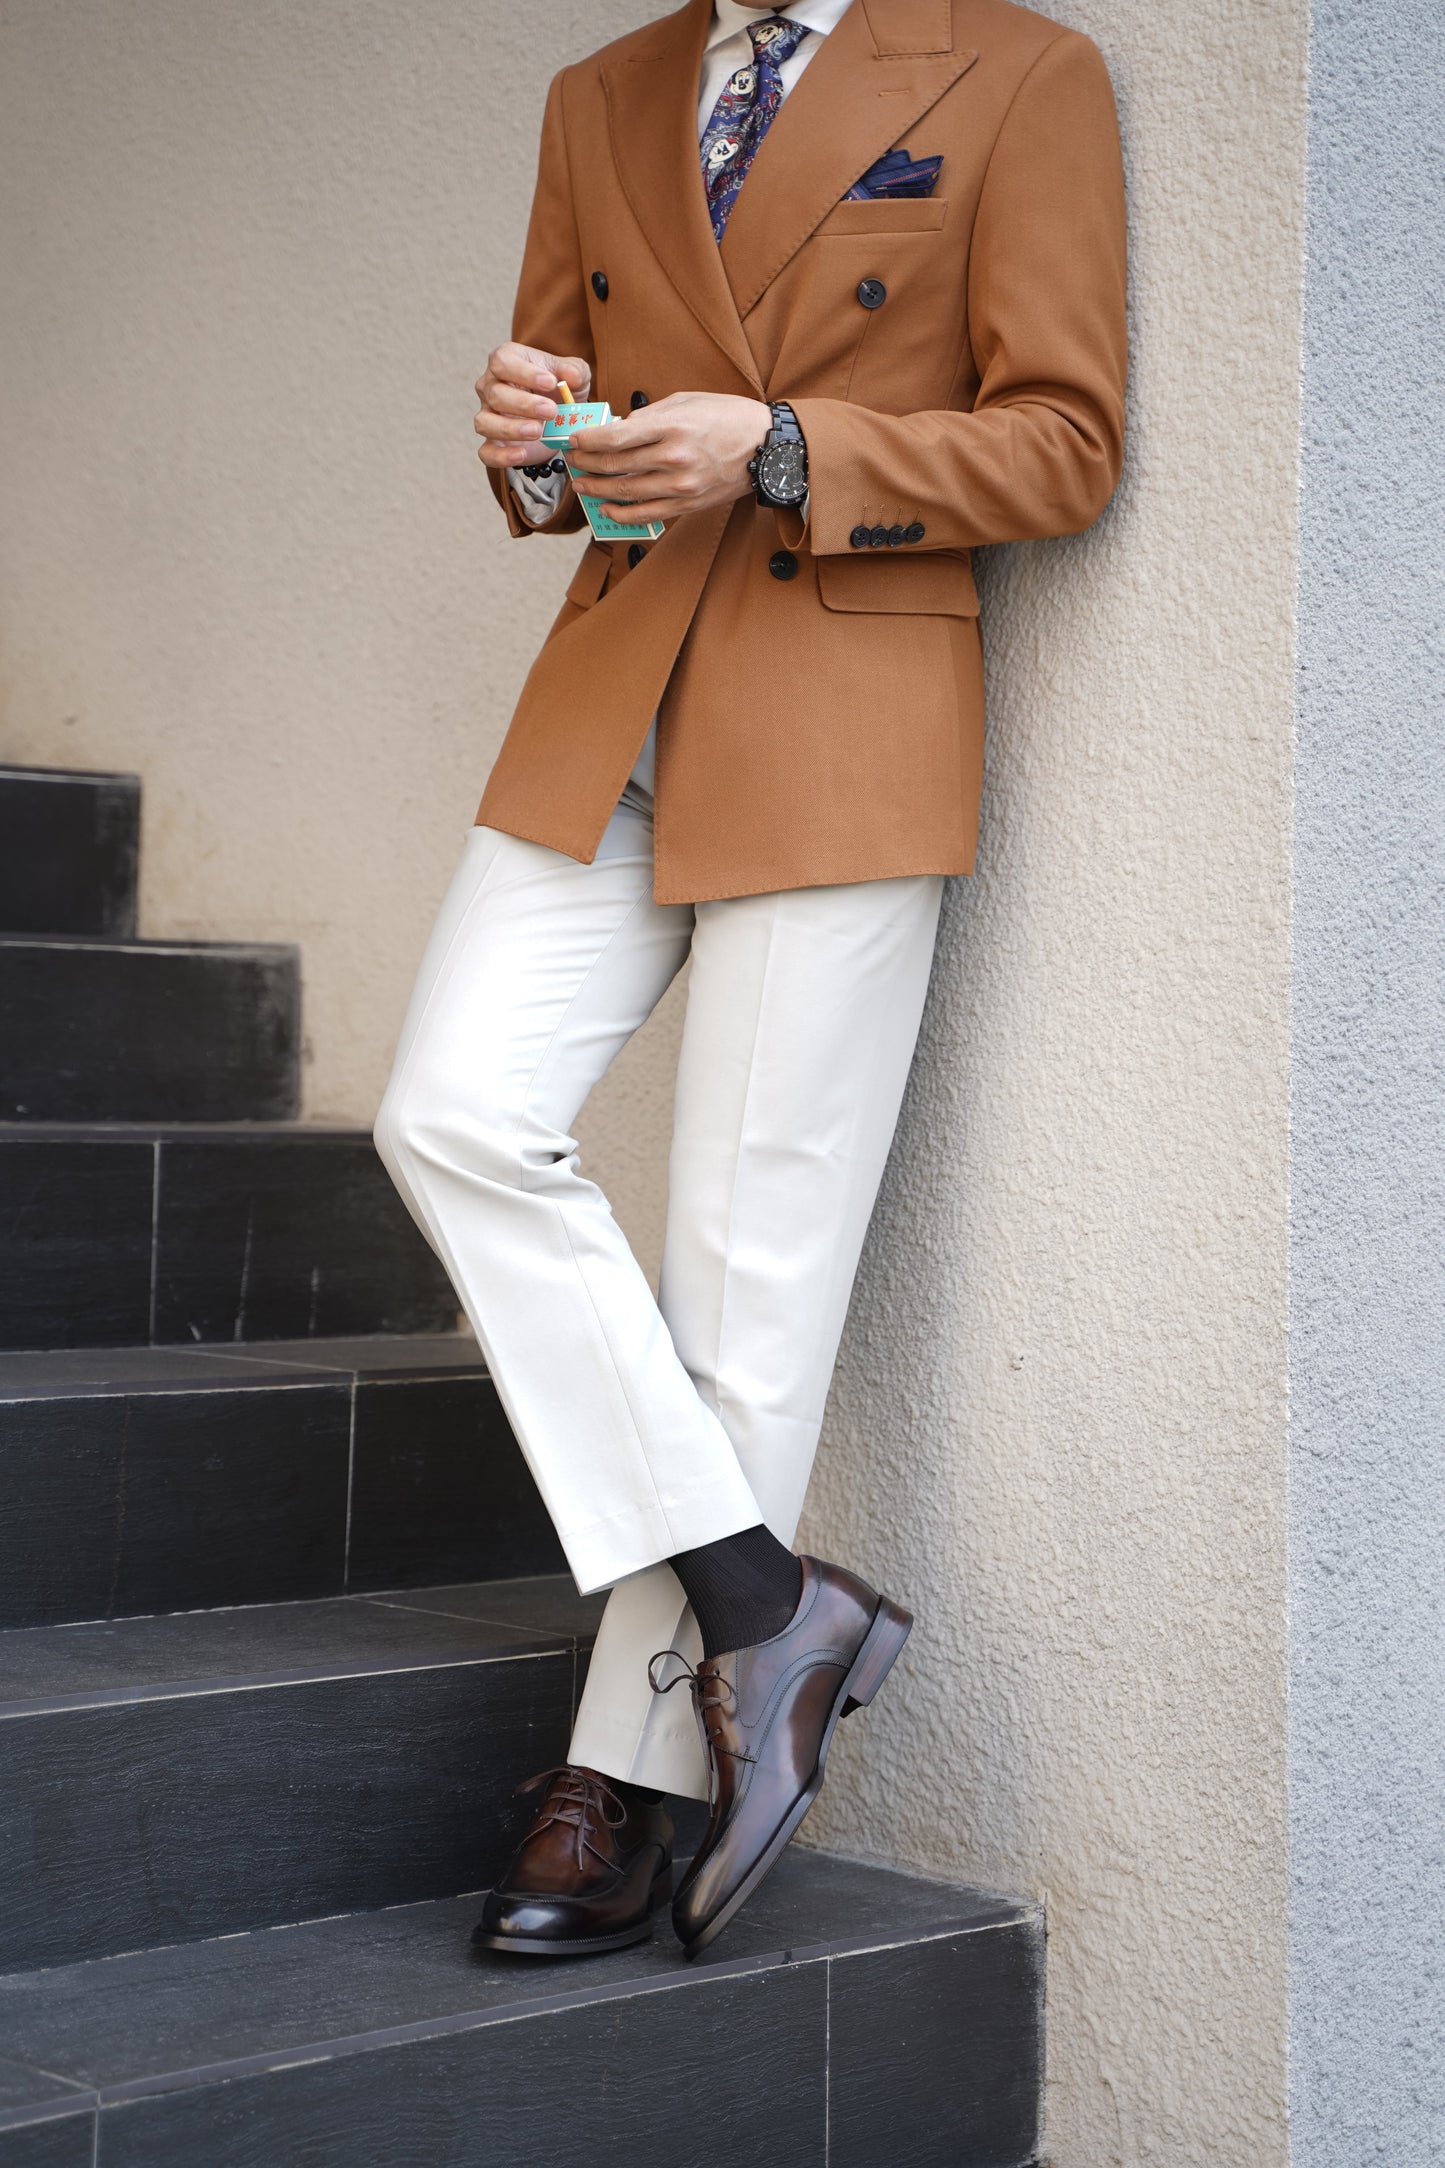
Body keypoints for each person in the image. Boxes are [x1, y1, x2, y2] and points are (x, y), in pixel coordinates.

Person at [374, 0, 1127, 1961]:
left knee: (743, 1277)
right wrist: (531, 447)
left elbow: (1065, 437)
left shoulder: (1015, 72)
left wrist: (784, 445)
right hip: (617, 701)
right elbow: (571, 431)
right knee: (449, 1108)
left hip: (840, 700)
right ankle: (757, 1591)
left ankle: (627, 1781)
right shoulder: (605, 92)